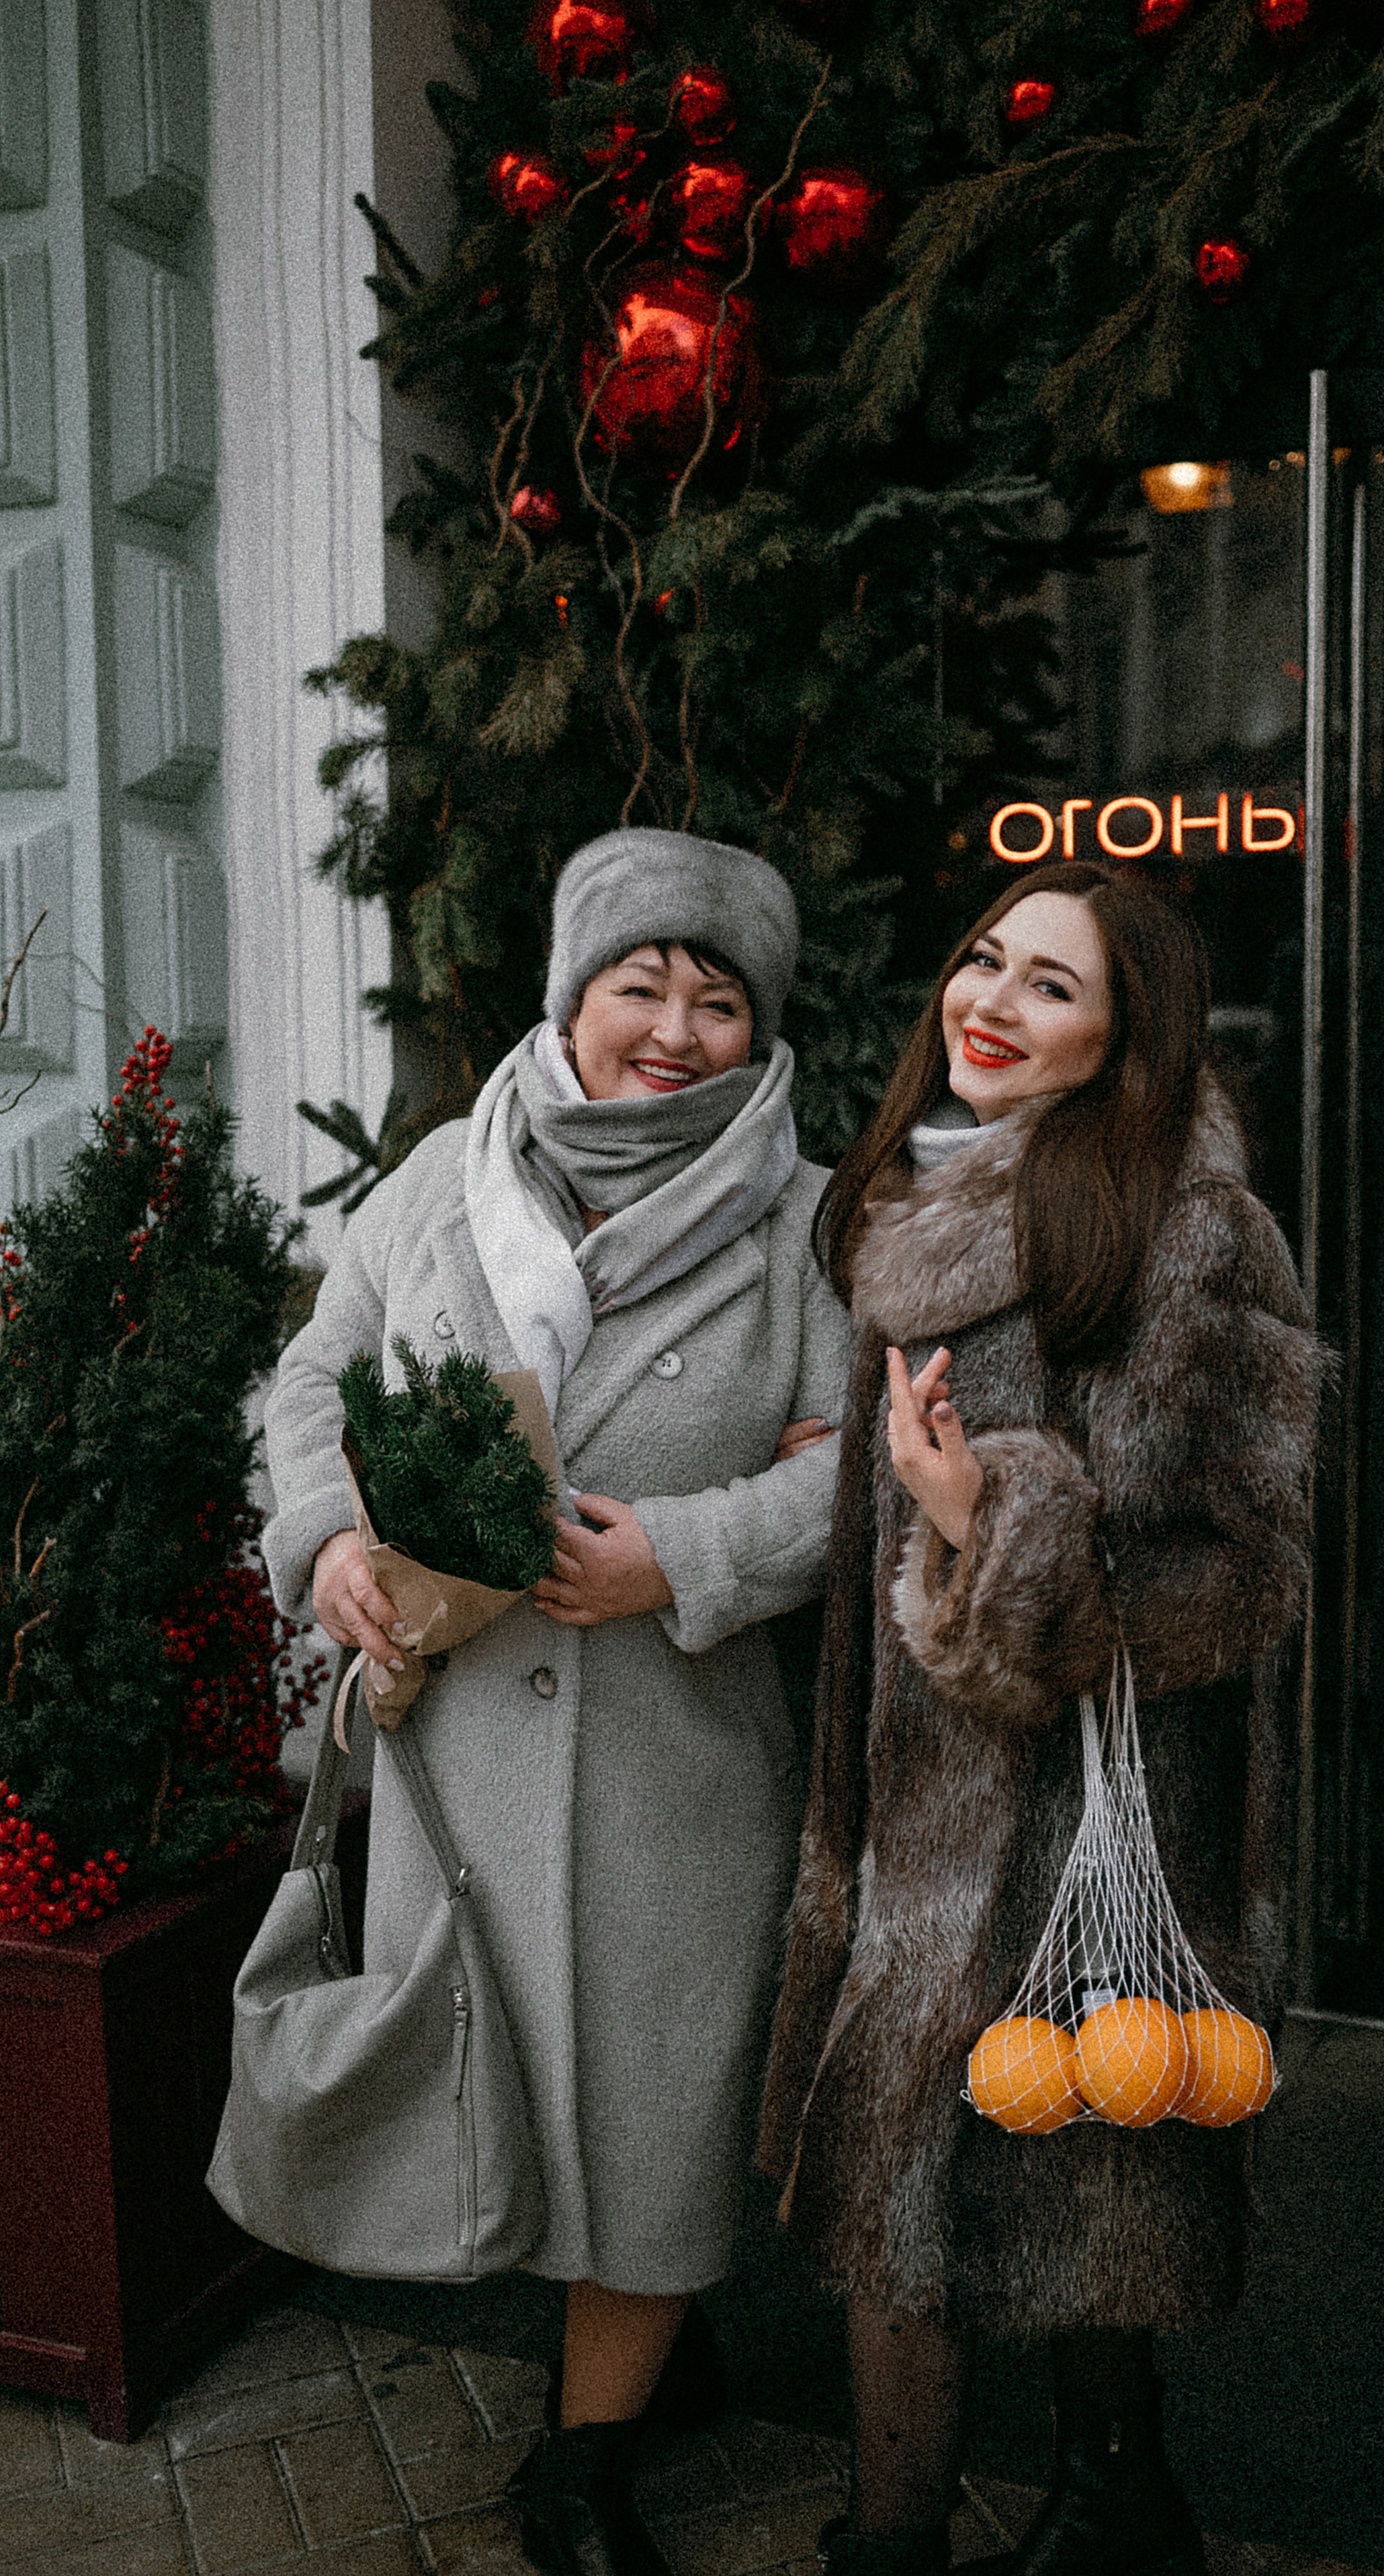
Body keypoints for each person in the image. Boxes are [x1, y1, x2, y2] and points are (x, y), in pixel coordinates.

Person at [263, 829, 851, 2576]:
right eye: (638, 983)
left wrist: (675, 1551)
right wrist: (329, 1538)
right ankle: (651, 2358)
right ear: (571, 995)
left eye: (717, 996)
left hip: (677, 1760)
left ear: (761, 1028)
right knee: (506, 2087)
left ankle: (577, 2472)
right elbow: (316, 1379)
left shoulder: (808, 1219)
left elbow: (845, 1488)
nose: (671, 1027)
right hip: (461, 1751)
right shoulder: (449, 1174)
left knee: (659, 2115)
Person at [756, 860, 1322, 2576]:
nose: (987, 1004)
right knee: (909, 2171)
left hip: (1088, 1804)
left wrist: (976, 1516)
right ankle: (952, 2521)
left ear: (1123, 1038)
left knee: (1079, 2154)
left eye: (1050, 987)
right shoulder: (904, 1205)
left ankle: (1091, 2498)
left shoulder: (1185, 1227)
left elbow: (1244, 1572)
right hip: (906, 1786)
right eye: (982, 960)